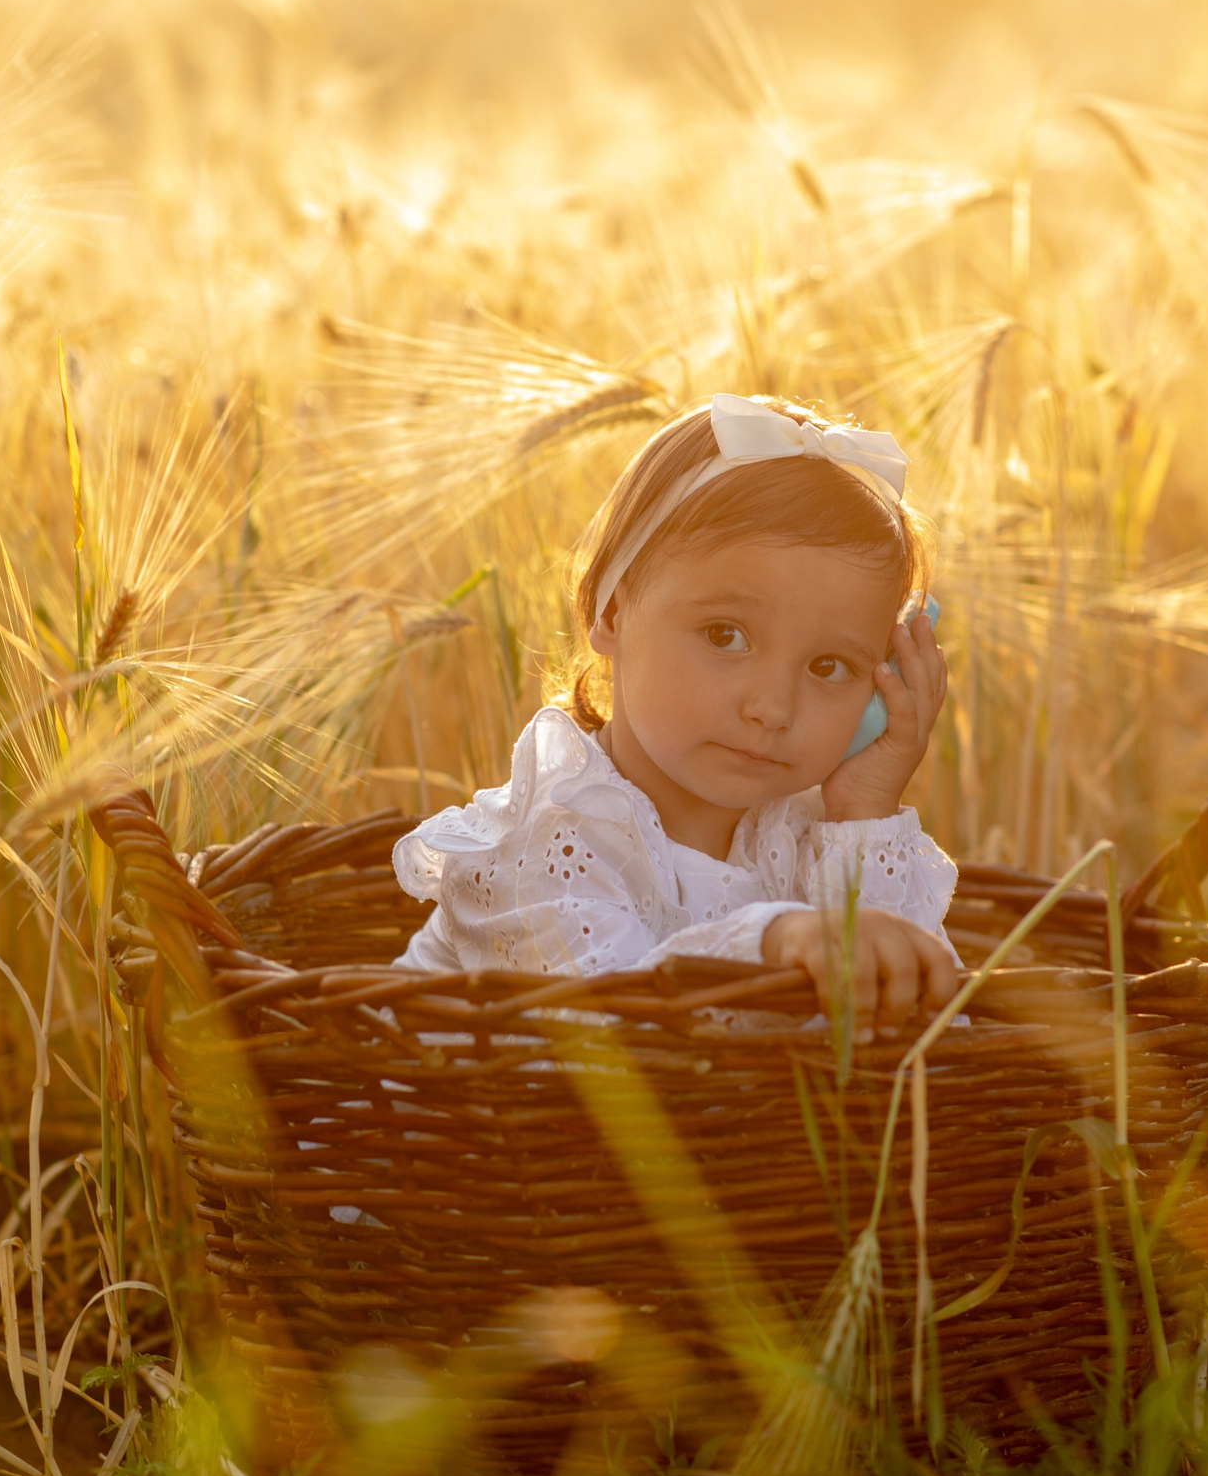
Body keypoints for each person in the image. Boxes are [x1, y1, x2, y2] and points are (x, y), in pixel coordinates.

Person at [394, 393, 960, 1033]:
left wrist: (865, 809)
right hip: (433, 1128)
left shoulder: (806, 838)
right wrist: (772, 938)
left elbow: (920, 1047)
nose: (772, 709)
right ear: (610, 611)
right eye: (725, 636)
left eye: (830, 667)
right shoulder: (545, 839)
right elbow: (621, 1038)